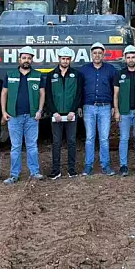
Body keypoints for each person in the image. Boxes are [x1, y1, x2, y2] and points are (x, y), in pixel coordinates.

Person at [1, 46, 45, 184]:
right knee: (16, 146)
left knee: (32, 145)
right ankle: (14, 174)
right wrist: (4, 111)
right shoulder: (10, 74)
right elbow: (4, 93)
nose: (26, 60)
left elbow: (42, 94)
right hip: (14, 116)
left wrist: (39, 110)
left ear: (32, 60)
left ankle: (35, 172)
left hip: (32, 116)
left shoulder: (38, 75)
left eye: (29, 58)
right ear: (19, 59)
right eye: (24, 58)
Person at [78, 42, 119, 176]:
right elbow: (79, 90)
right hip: (88, 107)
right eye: (95, 53)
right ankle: (88, 166)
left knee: (104, 138)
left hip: (105, 107)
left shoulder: (111, 70)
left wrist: (113, 106)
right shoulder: (83, 70)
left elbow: (115, 90)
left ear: (103, 54)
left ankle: (105, 165)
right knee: (90, 138)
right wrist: (79, 106)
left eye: (99, 53)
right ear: (91, 54)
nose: (97, 55)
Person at [44, 47, 83, 179]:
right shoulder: (51, 75)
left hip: (71, 114)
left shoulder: (76, 75)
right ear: (59, 59)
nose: (65, 61)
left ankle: (72, 170)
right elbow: (48, 96)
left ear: (70, 60)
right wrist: (54, 112)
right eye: (63, 58)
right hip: (56, 115)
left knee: (71, 141)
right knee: (56, 142)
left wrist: (73, 110)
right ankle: (56, 170)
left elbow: (79, 94)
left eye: (67, 59)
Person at [114, 45, 135, 176]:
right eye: (128, 57)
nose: (131, 59)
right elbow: (115, 94)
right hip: (124, 112)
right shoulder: (119, 74)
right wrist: (117, 111)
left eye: (133, 57)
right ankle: (123, 166)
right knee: (124, 138)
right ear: (125, 58)